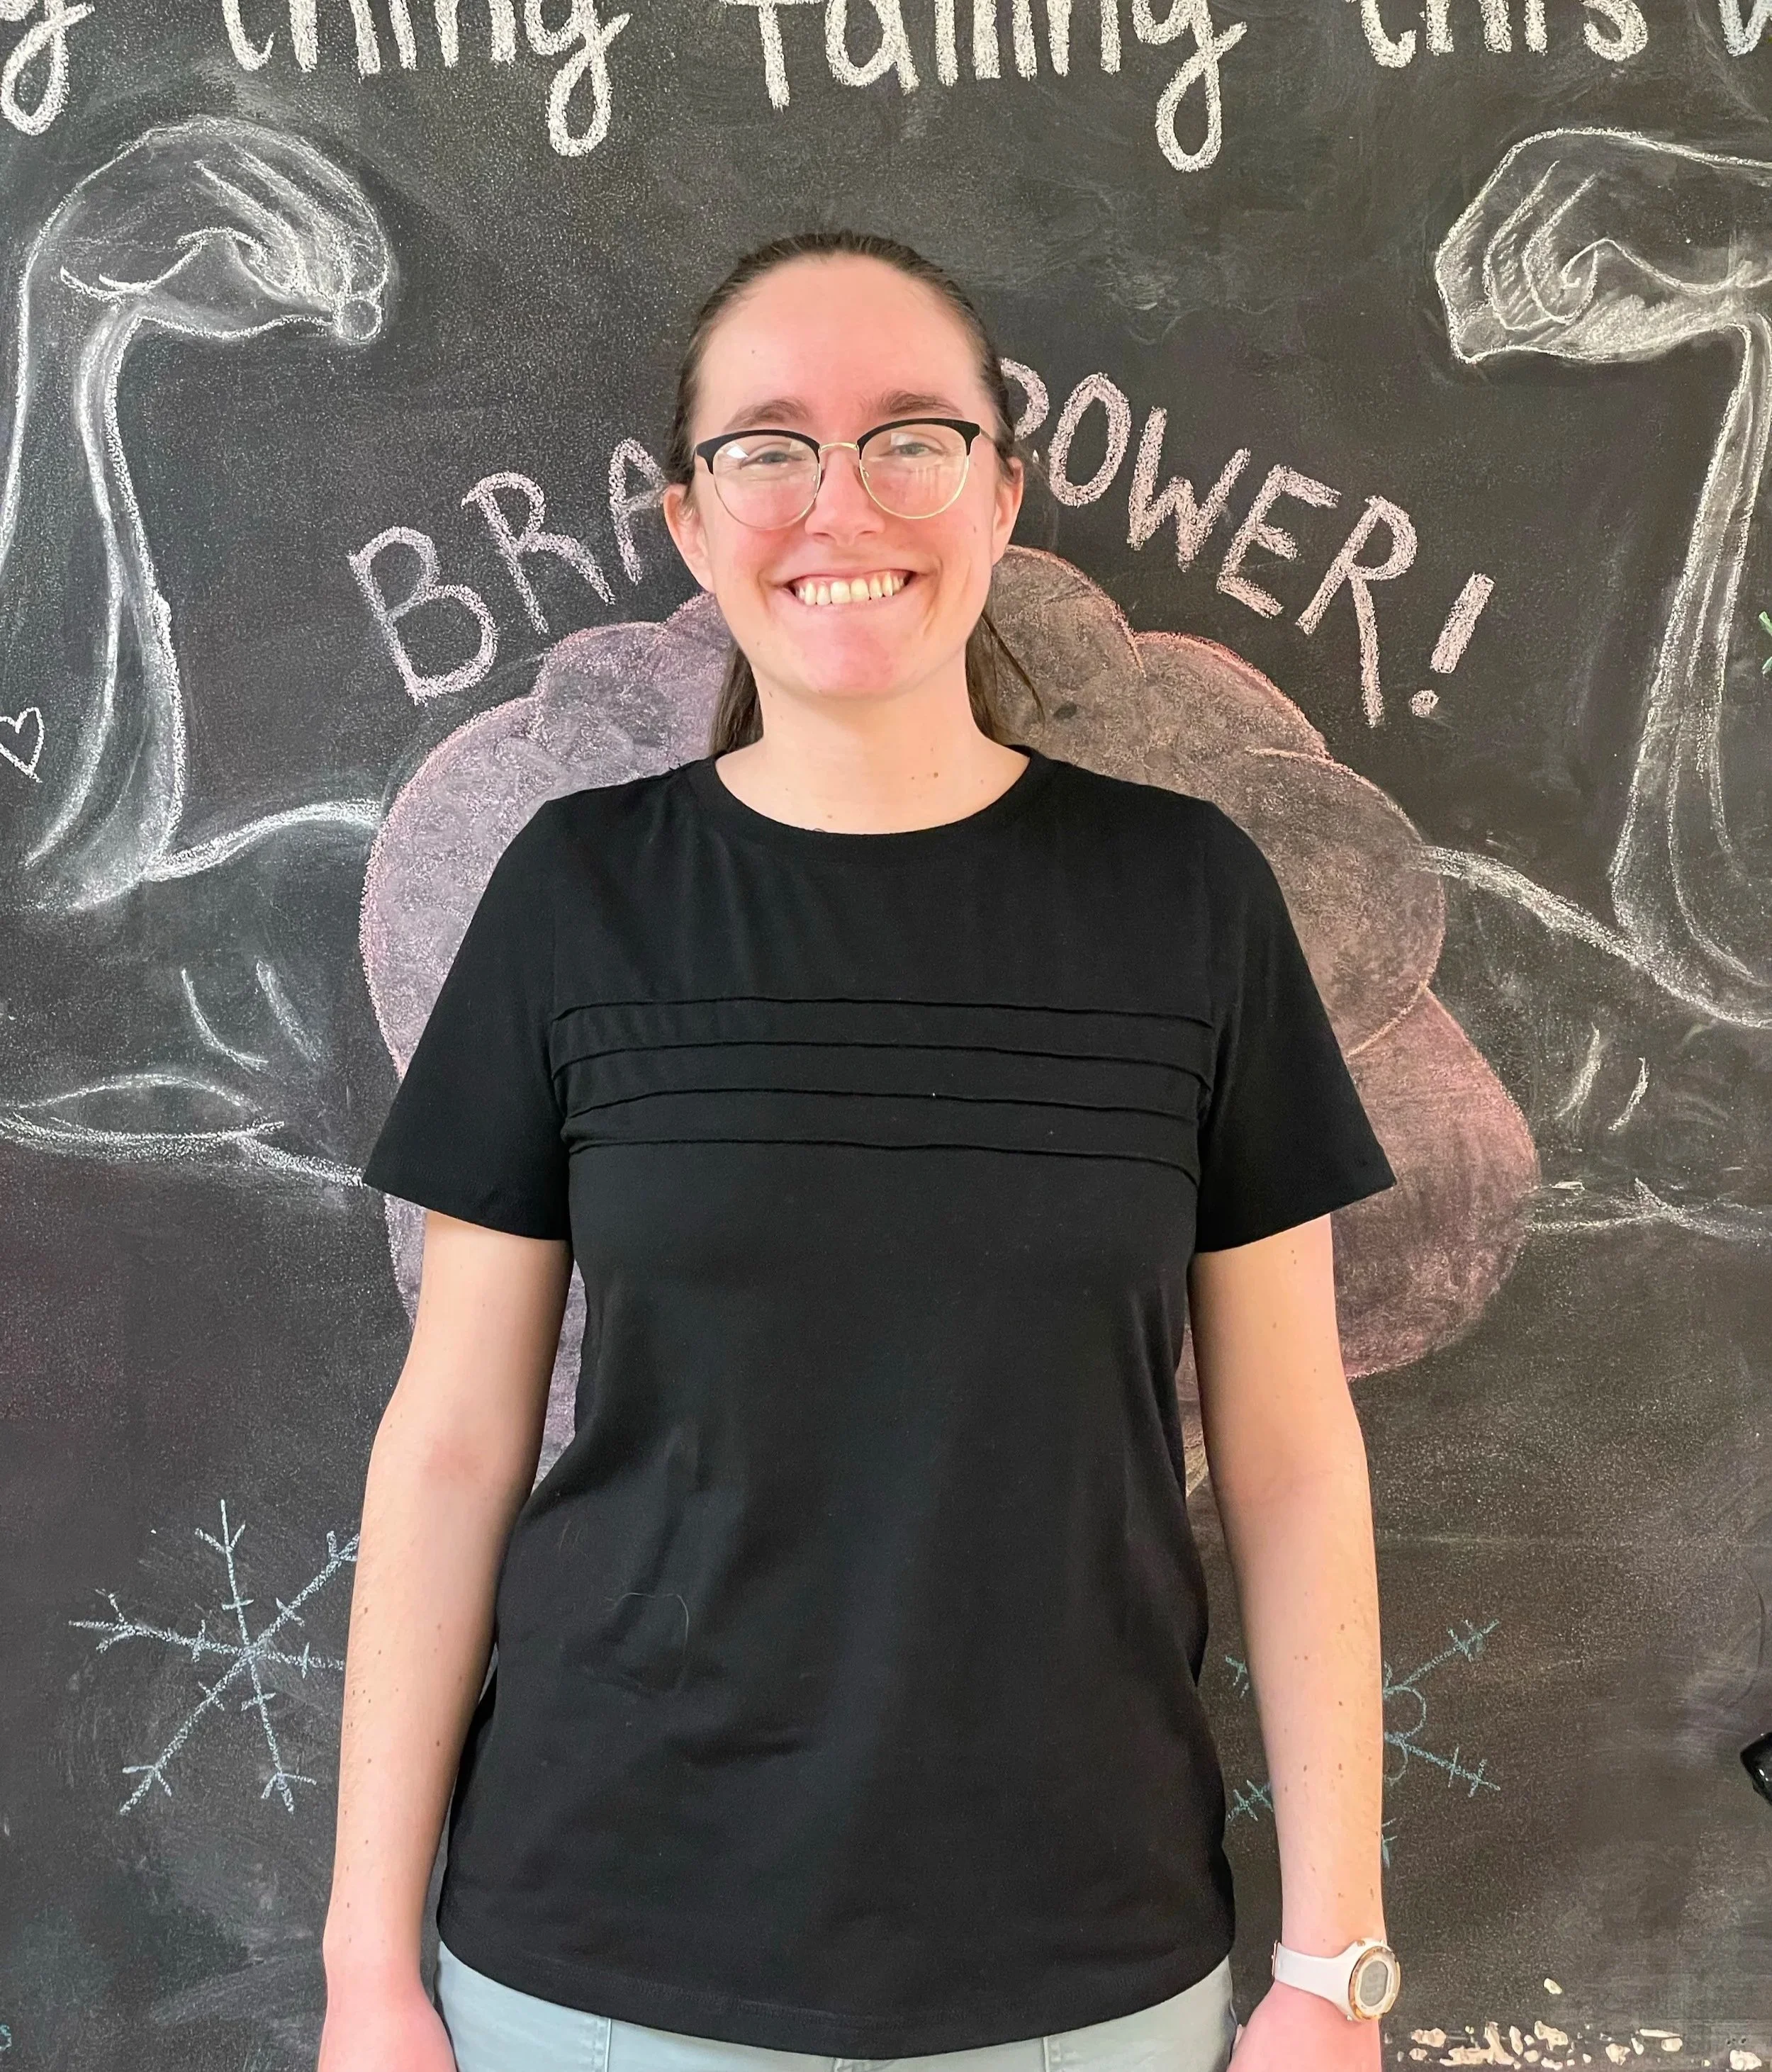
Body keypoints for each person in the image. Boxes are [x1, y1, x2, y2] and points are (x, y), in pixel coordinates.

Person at [318, 229, 1401, 2072]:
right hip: (596, 1962)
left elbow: (1292, 1451)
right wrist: (366, 1970)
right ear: (686, 516)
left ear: (999, 490)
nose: (842, 497)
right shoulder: (576, 900)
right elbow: (452, 1441)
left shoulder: (1187, 903)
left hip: (1089, 1967)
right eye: (769, 443)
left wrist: (1334, 1961)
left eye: (911, 435)